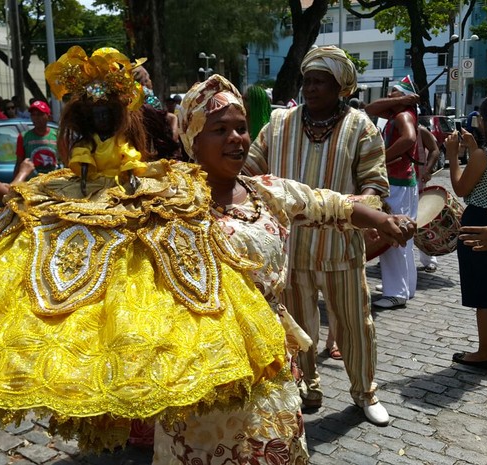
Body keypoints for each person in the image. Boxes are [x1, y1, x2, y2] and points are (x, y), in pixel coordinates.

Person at [0, 45, 300, 455]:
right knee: (66, 302)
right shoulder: (81, 149)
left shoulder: (138, 152)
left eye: (110, 111)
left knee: (154, 294)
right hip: (83, 197)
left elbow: (132, 159)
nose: (103, 118)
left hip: (131, 191)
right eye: (96, 113)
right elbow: (82, 165)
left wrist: (135, 176)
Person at [153, 73, 414, 465]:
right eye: (219, 129)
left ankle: (363, 392)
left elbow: (331, 204)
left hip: (269, 360)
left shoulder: (267, 191)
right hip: (199, 365)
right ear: (192, 139)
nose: (236, 138)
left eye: (241, 128)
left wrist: (381, 221)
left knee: (269, 449)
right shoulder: (167, 202)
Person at [244, 45, 395, 426]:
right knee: (299, 327)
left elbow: (375, 186)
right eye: (307, 81)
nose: (310, 88)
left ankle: (365, 392)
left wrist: (354, 210)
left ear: (341, 87)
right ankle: (307, 387)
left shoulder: (361, 127)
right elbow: (250, 169)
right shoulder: (278, 124)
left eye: (320, 82)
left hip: (340, 247)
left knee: (354, 325)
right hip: (289, 249)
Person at [446, 93, 487, 371]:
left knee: (485, 294)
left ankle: (484, 353)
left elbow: (460, 188)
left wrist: (453, 158)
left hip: (480, 219)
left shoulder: (484, 155)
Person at [366, 75, 419, 309]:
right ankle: (405, 286)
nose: (389, 96)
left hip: (397, 180)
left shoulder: (402, 115)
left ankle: (396, 291)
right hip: (404, 180)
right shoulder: (399, 112)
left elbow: (409, 138)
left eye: (393, 93)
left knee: (393, 232)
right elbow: (370, 107)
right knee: (404, 233)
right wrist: (404, 98)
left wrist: (382, 158)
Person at [416, 124, 441, 273]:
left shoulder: (421, 131)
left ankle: (430, 259)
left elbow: (435, 150)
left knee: (423, 221)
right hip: (397, 182)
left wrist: (428, 169)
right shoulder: (391, 126)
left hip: (418, 181)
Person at [14, 100, 59, 176]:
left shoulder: (57, 135)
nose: (36, 118)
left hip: (54, 183)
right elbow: (19, 164)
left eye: (40, 114)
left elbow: (65, 160)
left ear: (48, 117)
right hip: (32, 184)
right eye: (33, 115)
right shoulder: (24, 137)